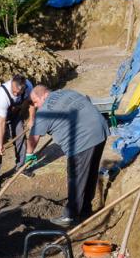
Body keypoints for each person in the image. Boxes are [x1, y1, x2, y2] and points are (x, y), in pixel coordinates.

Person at [26, 85, 109, 227]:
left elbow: (34, 137)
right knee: (90, 173)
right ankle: (85, 210)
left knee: (75, 177)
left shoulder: (45, 110)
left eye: (35, 102)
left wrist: (29, 155)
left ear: (43, 96)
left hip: (82, 140)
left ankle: (70, 216)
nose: (36, 106)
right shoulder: (66, 92)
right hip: (100, 129)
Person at [0, 73, 32, 190]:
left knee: (20, 136)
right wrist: (1, 145)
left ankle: (21, 167)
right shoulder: (3, 95)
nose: (16, 94)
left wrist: (32, 119)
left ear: (24, 88)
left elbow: (31, 102)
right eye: (14, 91)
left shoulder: (28, 87)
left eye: (19, 93)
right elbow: (1, 123)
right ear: (11, 83)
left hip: (14, 111)